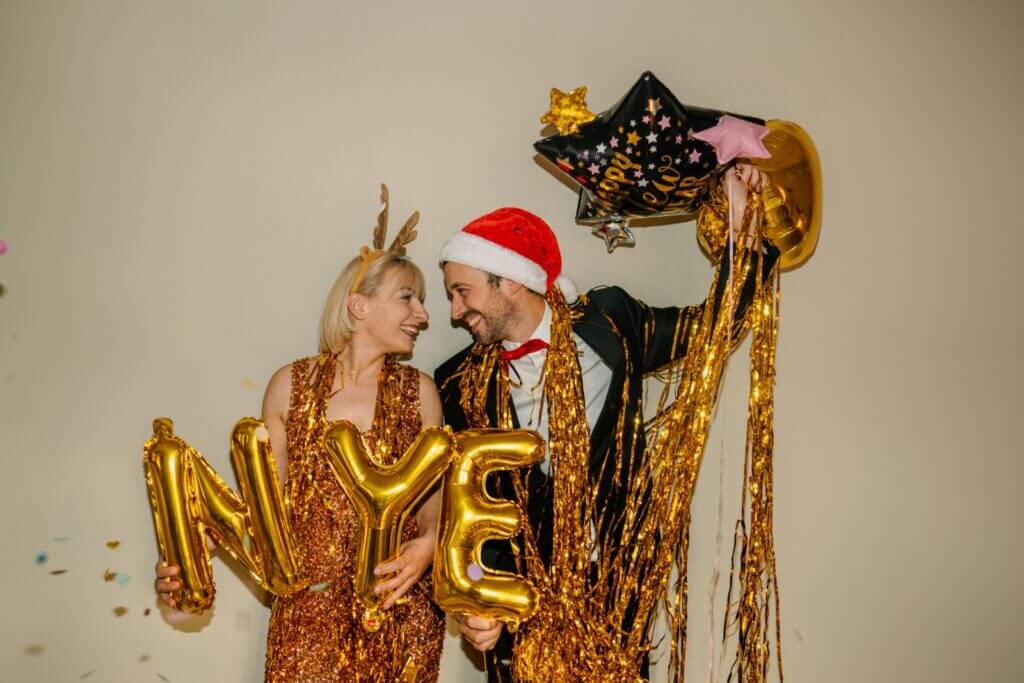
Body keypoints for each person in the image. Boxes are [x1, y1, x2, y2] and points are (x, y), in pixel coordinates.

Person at [434, 165, 777, 681]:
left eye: (462, 291)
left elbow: (714, 325)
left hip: (620, 599)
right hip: (525, 616)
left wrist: (741, 224)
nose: (457, 311)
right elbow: (471, 514)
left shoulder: (611, 322)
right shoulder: (459, 382)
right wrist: (475, 601)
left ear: (507, 280)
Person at [153, 189, 446, 682]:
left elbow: (433, 507)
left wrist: (430, 545)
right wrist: (193, 556)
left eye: (421, 301)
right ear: (358, 305)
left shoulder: (422, 393)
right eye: (407, 298)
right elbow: (263, 512)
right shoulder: (288, 386)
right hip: (306, 620)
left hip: (400, 617)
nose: (423, 315)